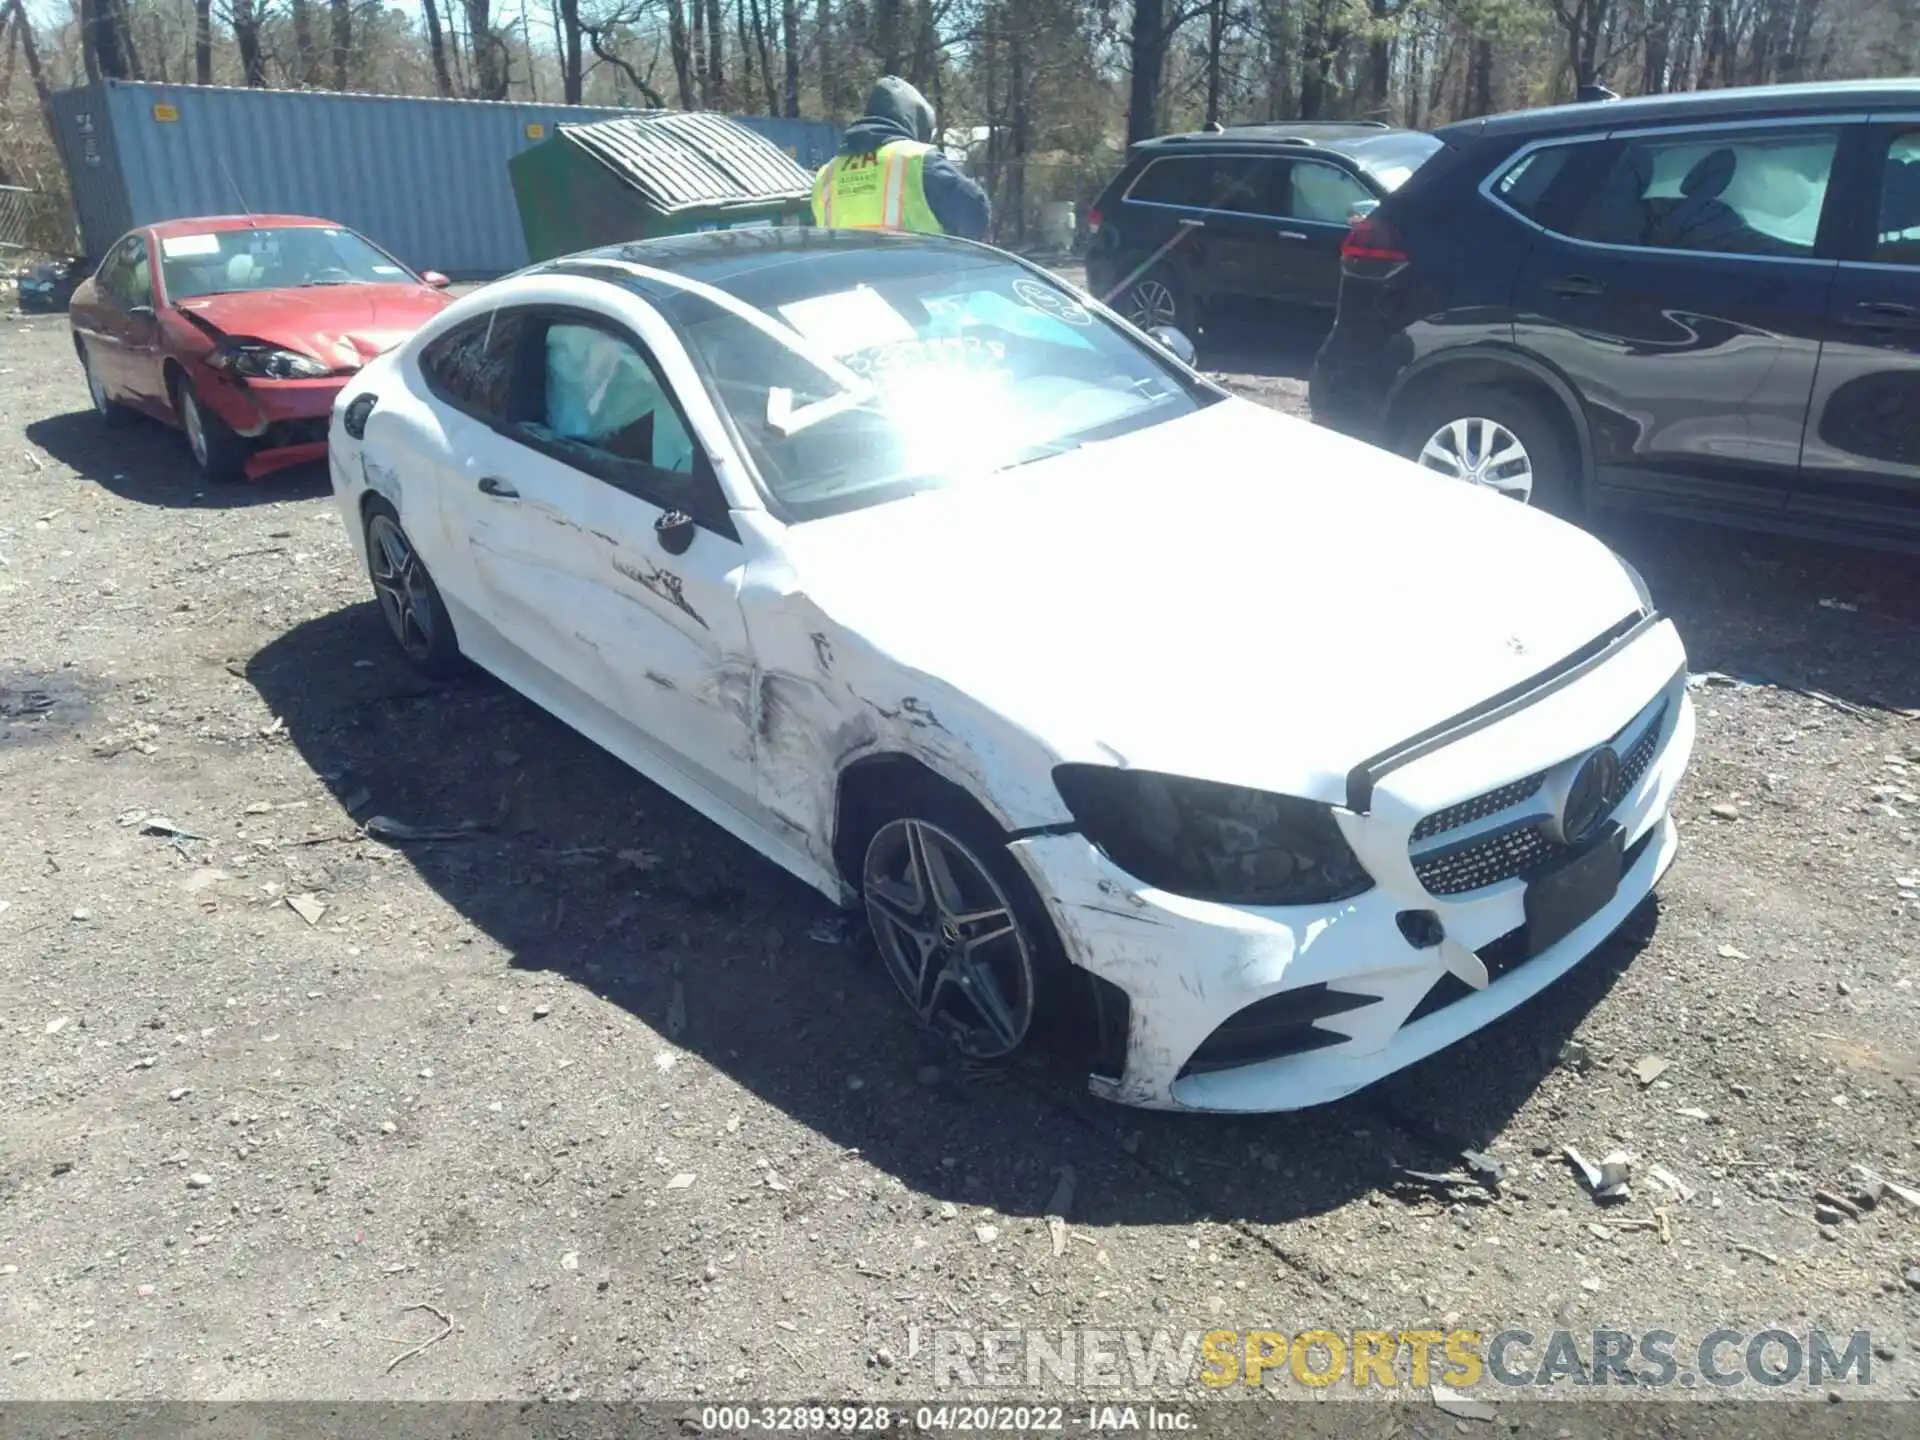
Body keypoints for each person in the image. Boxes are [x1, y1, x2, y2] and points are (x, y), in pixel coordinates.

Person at [812, 76, 991, 240]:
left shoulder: (827, 173)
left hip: (845, 275)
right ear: (916, 123)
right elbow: (974, 208)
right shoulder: (918, 159)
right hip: (916, 274)